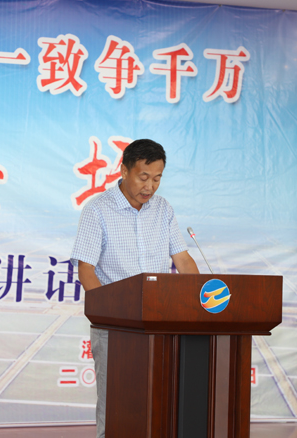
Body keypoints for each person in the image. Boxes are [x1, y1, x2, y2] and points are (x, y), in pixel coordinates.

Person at [70, 138, 199, 438]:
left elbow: (182, 259)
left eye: (157, 179)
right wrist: (108, 314)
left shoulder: (163, 209)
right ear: (124, 170)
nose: (150, 186)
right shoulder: (97, 210)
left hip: (160, 322)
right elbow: (86, 269)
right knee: (117, 407)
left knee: (160, 405)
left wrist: (202, 298)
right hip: (115, 326)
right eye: (143, 177)